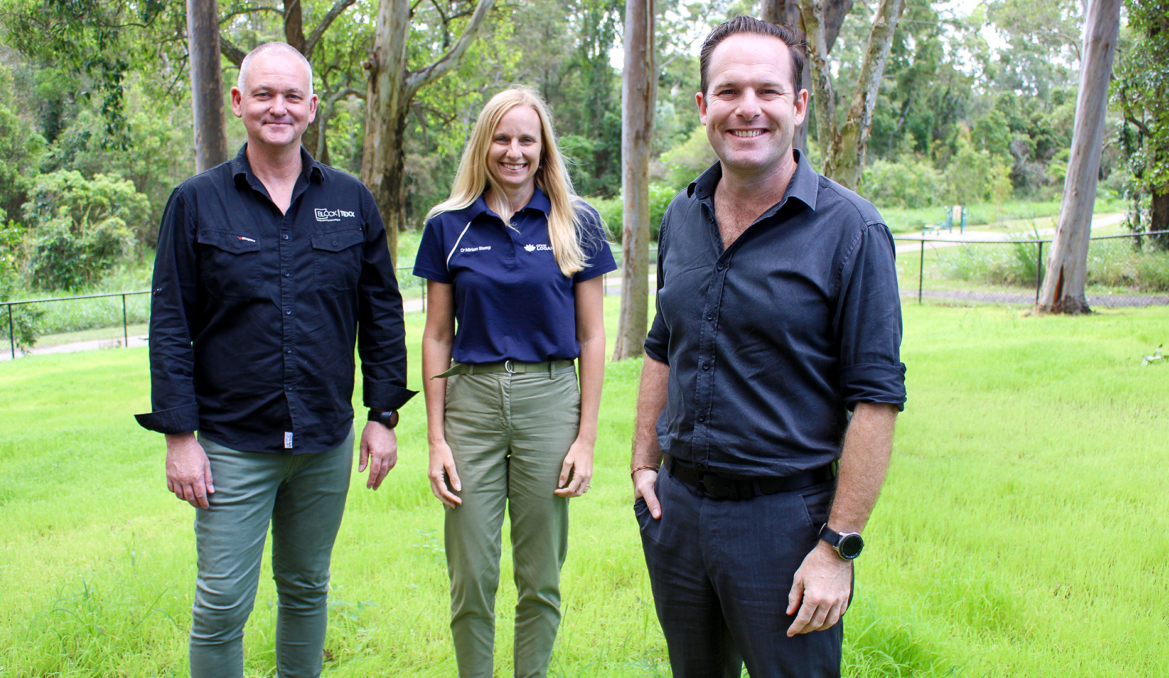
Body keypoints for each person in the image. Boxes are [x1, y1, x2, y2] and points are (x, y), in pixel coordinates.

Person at [629, 17, 907, 678]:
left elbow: (876, 400)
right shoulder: (681, 215)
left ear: (799, 106)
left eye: (767, 91)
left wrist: (837, 547)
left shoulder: (853, 232)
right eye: (727, 92)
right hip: (678, 514)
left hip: (787, 525)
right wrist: (643, 466)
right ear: (703, 107)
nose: (746, 108)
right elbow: (663, 343)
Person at [134, 42, 414, 678]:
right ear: (239, 103)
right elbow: (171, 324)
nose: (278, 107)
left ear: (312, 108)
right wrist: (180, 436)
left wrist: (383, 415)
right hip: (233, 445)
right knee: (221, 604)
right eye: (264, 94)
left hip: (324, 440)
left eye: (292, 96)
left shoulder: (351, 201)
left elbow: (382, 314)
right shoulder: (196, 202)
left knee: (307, 588)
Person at [412, 87, 616, 678]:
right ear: (484, 144)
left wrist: (585, 438)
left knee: (540, 576)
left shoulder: (576, 222)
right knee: (472, 575)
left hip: (550, 401)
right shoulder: (447, 226)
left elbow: (593, 337)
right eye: (502, 138)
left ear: (543, 147)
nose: (514, 151)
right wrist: (436, 439)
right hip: (470, 406)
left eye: (527, 139)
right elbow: (437, 336)